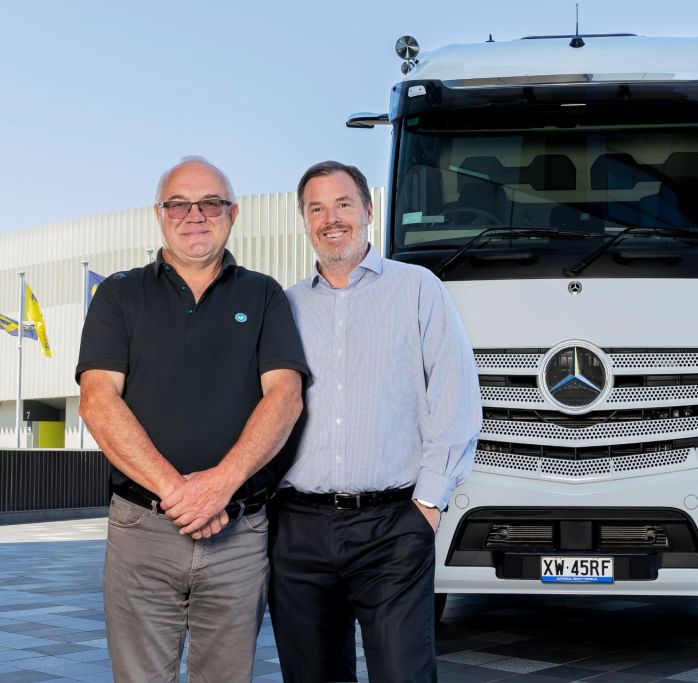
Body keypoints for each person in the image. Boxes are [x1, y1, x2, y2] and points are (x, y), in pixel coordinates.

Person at [77, 157, 308, 683]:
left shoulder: (264, 294)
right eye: (179, 204)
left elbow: (286, 397)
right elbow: (97, 401)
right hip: (142, 530)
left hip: (239, 533)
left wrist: (219, 487)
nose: (195, 215)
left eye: (210, 203)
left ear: (233, 214)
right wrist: (183, 496)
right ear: (159, 213)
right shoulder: (118, 294)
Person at [269, 161, 482, 683]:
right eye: (316, 208)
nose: (330, 218)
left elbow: (455, 396)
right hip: (298, 530)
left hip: (393, 528)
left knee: (403, 675)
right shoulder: (285, 306)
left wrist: (428, 504)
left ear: (368, 210)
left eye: (342, 204)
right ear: (304, 220)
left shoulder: (418, 289)